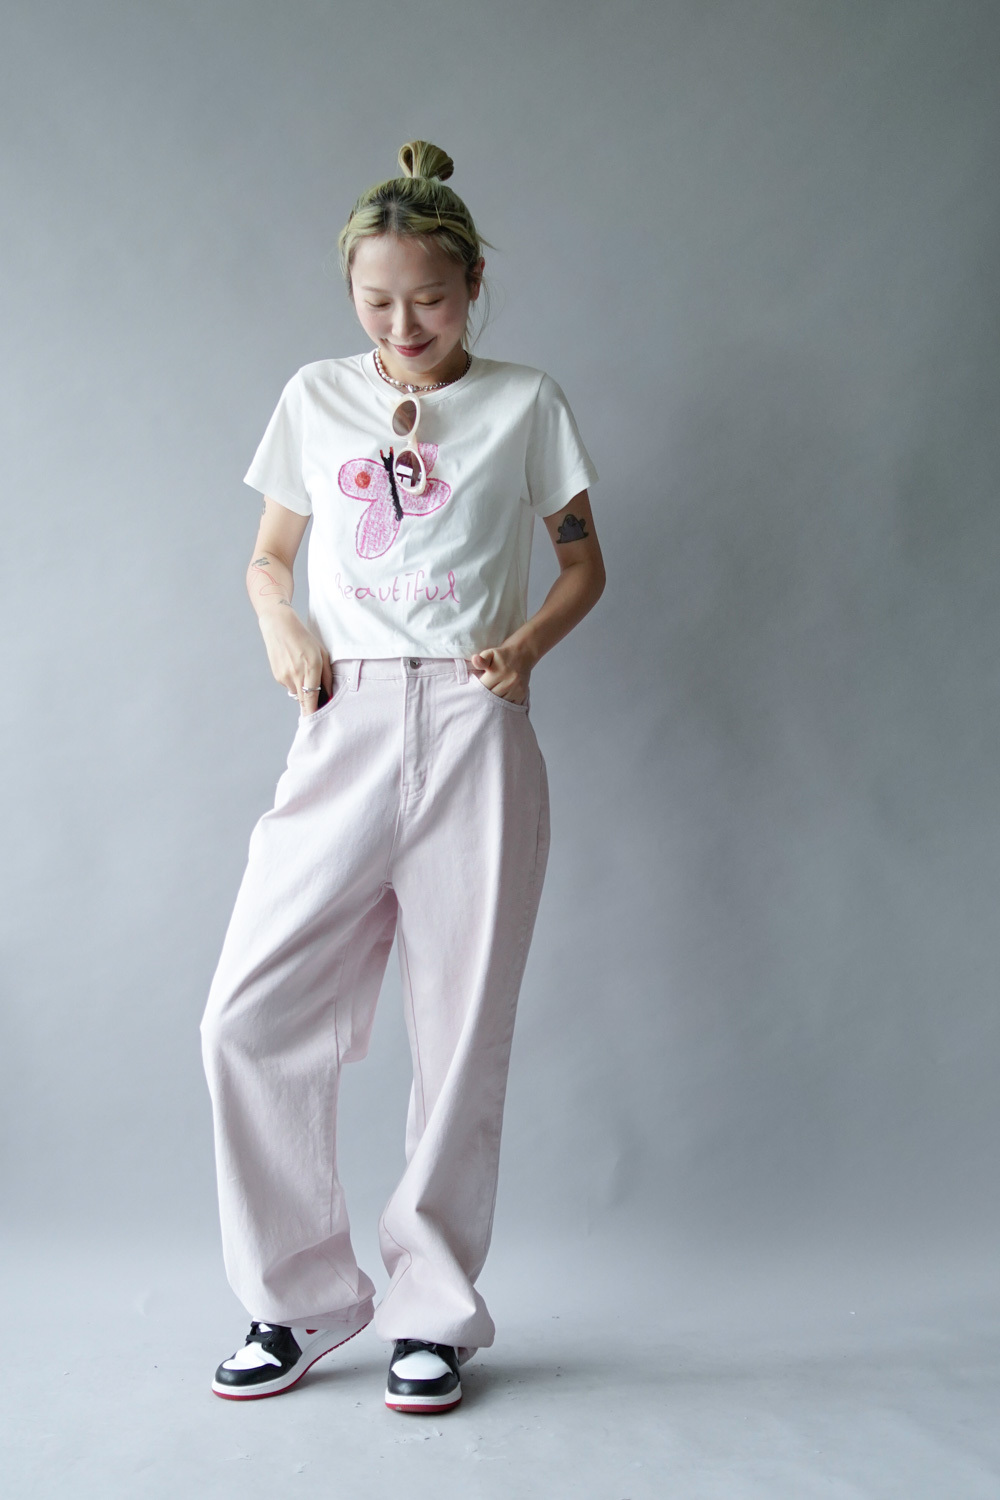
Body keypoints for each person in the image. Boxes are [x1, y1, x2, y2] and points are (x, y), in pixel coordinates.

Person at [200, 139, 605, 1414]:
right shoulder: (315, 397)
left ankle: (432, 1313)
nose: (402, 325)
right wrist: (282, 625)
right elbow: (268, 558)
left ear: (473, 283)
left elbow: (583, 563)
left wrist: (522, 650)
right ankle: (297, 1300)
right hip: (346, 715)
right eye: (376, 302)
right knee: (245, 1015)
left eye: (428, 298)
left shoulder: (526, 403)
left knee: (461, 1030)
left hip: (478, 723)